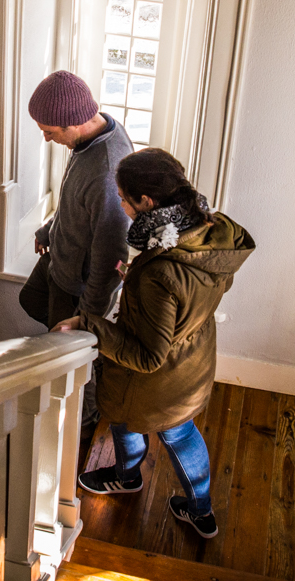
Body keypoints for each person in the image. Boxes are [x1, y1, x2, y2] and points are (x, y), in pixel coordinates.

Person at [54, 148, 254, 539]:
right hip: (193, 361)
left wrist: (87, 323)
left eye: (124, 199)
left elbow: (147, 357)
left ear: (147, 202)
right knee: (181, 432)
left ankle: (127, 477)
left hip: (154, 381)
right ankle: (201, 512)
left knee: (128, 422)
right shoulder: (209, 232)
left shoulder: (160, 271)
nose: (122, 207)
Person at [19, 70, 133, 421]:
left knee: (71, 362)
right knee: (30, 299)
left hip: (78, 286)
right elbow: (74, 201)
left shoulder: (106, 171)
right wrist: (49, 231)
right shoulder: (88, 140)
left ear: (72, 123)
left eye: (49, 132)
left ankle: (83, 426)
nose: (46, 138)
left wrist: (87, 319)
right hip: (58, 259)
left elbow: (111, 257)